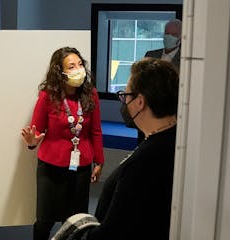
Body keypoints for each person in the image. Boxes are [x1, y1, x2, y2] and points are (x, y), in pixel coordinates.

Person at [52, 57, 179, 240]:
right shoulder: (173, 140)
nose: (124, 102)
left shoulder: (143, 163)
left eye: (125, 96)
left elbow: (115, 231)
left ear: (140, 102)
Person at [21, 47, 105, 240]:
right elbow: (36, 132)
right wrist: (32, 142)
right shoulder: (47, 96)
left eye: (80, 64)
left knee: (75, 222)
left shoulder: (91, 94)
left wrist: (99, 162)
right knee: (45, 221)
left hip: (81, 167)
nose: (78, 69)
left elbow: (96, 131)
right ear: (60, 71)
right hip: (51, 168)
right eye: (71, 66)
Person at [136, 19, 181, 144]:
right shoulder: (150, 55)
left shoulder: (185, 61)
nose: (168, 37)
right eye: (167, 33)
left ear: (181, 38)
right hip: (146, 114)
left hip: (171, 118)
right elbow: (140, 83)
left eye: (173, 35)